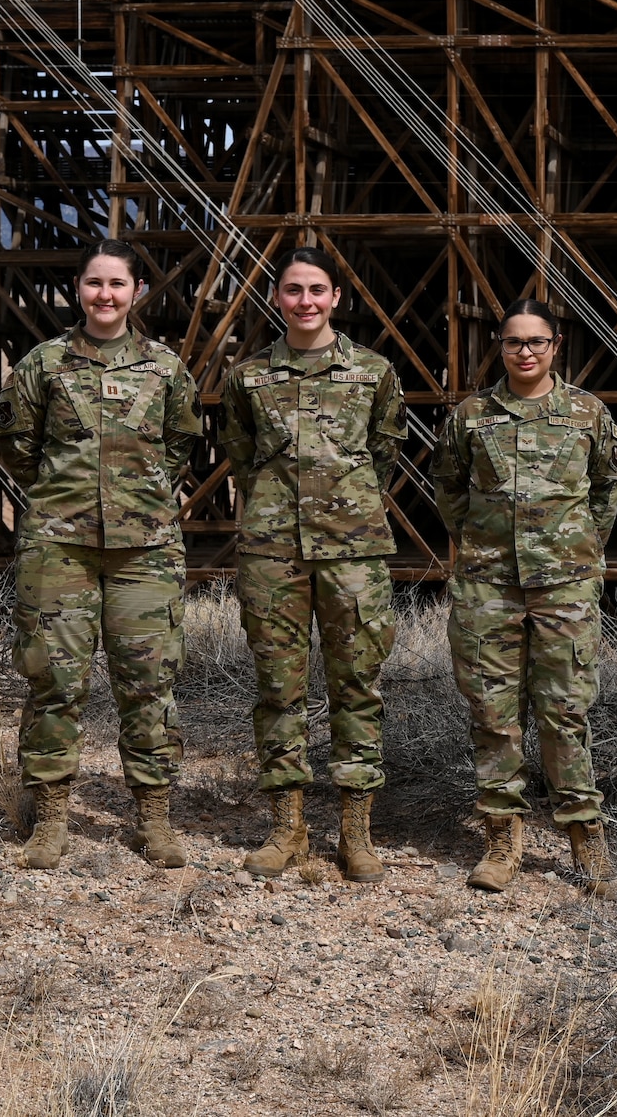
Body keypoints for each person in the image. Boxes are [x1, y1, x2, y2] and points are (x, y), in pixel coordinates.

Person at [0, 239, 202, 870]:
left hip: (145, 550)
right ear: (77, 289)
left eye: (117, 285)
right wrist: (68, 501)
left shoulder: (166, 368)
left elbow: (180, 445)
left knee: (149, 684)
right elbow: (18, 446)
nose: (105, 295)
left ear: (137, 292)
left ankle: (153, 820)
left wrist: (134, 501)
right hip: (59, 548)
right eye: (94, 284)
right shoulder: (44, 364)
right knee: (54, 681)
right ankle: (52, 818)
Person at [220, 247, 405, 884]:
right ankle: (287, 828)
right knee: (279, 688)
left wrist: (342, 508)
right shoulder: (248, 377)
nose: (306, 300)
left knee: (357, 686)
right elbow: (242, 455)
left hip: (353, 552)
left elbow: (384, 450)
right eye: (294, 289)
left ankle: (356, 832)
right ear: (278, 298)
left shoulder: (373, 372)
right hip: (272, 551)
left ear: (335, 298)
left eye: (317, 289)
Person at [430, 299, 617, 896]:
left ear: (556, 345)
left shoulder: (588, 414)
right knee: (493, 714)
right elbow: (449, 488)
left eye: (536, 341)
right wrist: (481, 545)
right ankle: (501, 838)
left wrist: (577, 549)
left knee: (565, 711)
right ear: (500, 345)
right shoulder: (471, 416)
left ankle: (585, 840)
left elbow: (606, 489)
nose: (525, 352)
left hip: (565, 585)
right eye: (513, 341)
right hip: (489, 585)